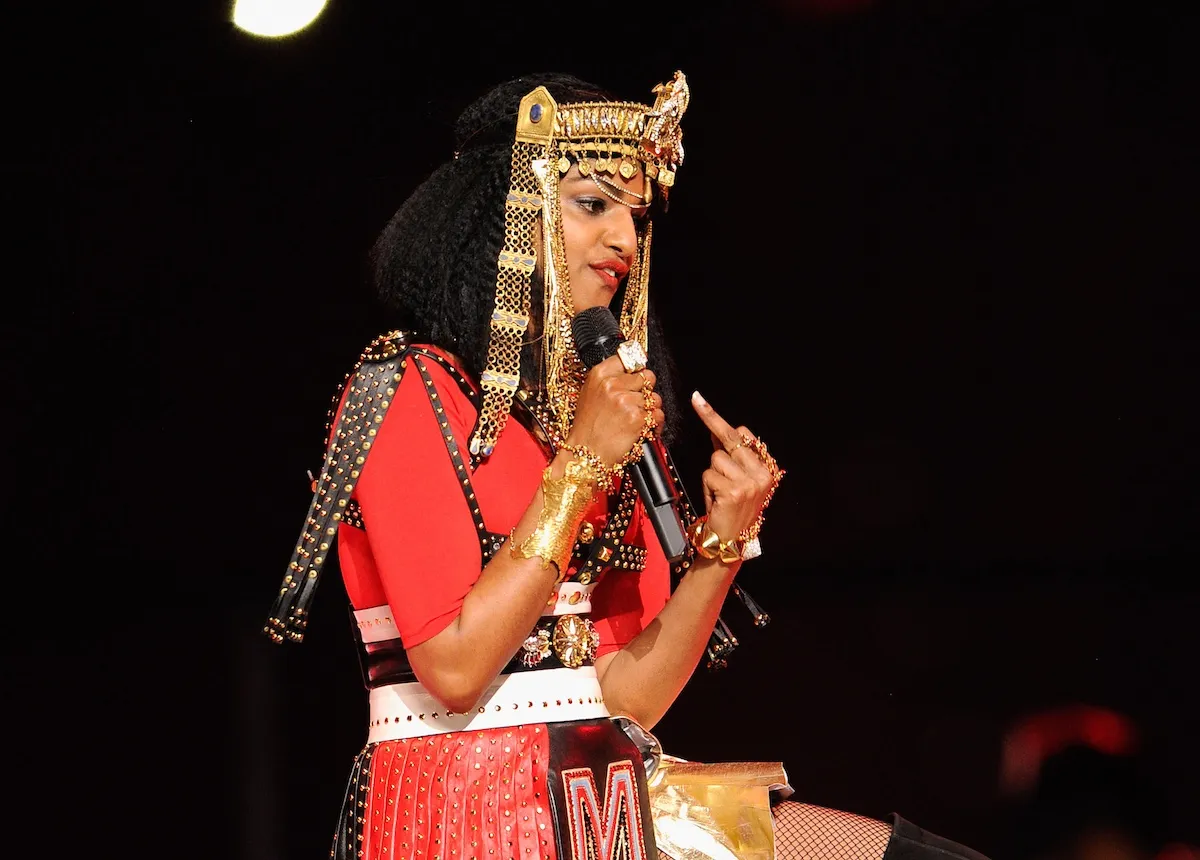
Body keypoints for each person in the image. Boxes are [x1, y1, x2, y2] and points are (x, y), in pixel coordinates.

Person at [265, 70, 992, 860]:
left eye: (636, 216)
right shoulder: (408, 391)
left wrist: (724, 539)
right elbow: (456, 666)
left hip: (601, 799)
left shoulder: (591, 422)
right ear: (506, 213)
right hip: (466, 810)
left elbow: (621, 699)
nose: (624, 240)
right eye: (592, 204)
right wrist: (581, 461)